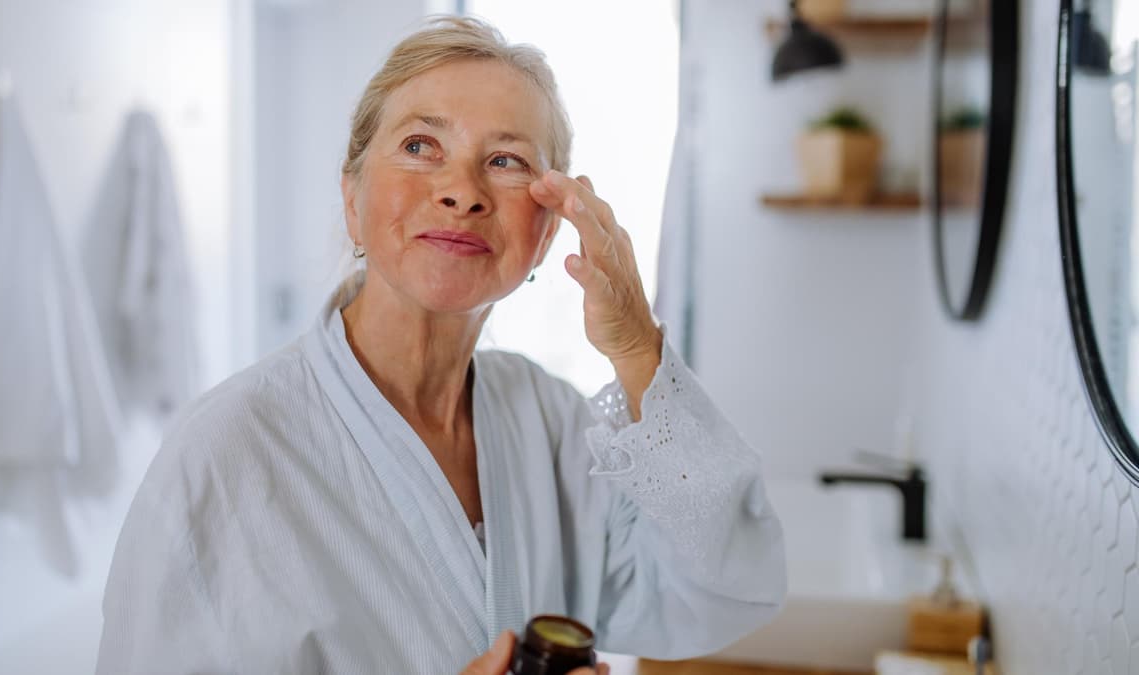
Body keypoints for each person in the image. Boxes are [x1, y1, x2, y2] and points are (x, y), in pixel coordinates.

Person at [96, 16, 786, 675]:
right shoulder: (224, 456)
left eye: (506, 160)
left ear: (544, 233)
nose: (463, 191)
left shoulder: (552, 423)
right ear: (352, 200)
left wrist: (637, 346)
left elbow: (721, 585)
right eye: (421, 146)